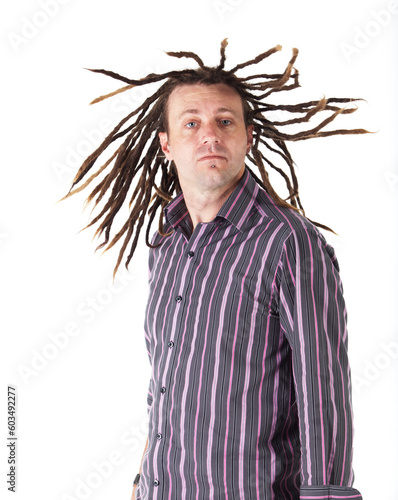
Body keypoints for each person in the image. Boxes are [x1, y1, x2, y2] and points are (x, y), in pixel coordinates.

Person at [63, 40, 366, 499]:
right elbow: (166, 386)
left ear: (247, 137)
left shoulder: (288, 243)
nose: (209, 135)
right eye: (191, 123)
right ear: (167, 144)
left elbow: (323, 393)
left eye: (225, 121)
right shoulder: (166, 245)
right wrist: (142, 482)